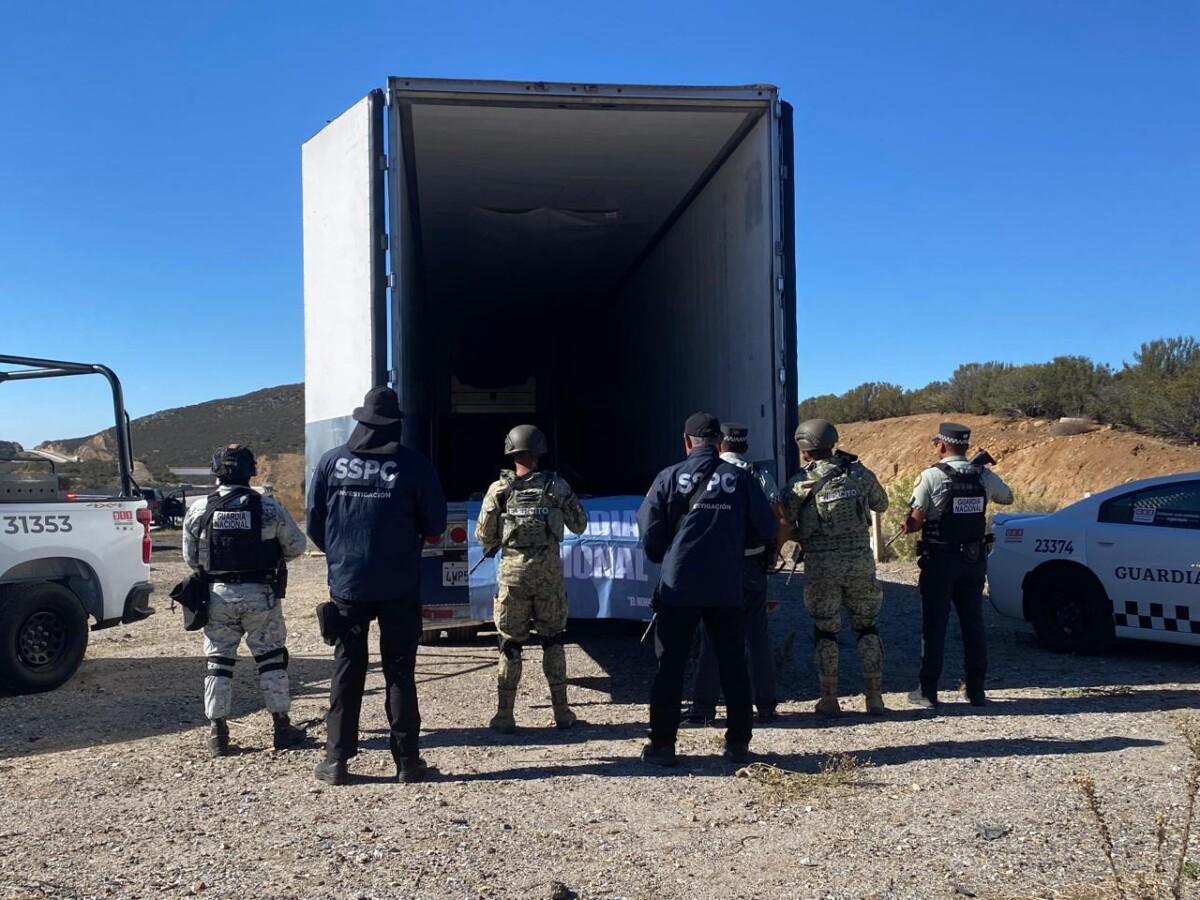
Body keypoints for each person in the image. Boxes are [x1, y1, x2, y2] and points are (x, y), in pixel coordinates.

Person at [307, 387, 447, 785]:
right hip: (400, 584)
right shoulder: (414, 466)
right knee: (399, 671)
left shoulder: (331, 463)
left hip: (348, 585)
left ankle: (336, 761)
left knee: (347, 667)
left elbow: (317, 525)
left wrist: (341, 555)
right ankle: (407, 762)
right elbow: (436, 525)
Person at [638, 412, 777, 767]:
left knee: (670, 665)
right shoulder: (742, 479)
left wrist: (669, 554)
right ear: (719, 442)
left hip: (678, 585)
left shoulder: (668, 477)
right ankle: (737, 745)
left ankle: (663, 746)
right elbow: (764, 529)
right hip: (725, 586)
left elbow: (650, 533)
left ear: (686, 442)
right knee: (733, 664)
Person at [182, 444, 308, 757]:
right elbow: (296, 546)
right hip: (260, 595)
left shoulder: (199, 509)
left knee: (218, 662)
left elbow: (190, 558)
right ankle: (281, 726)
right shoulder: (267, 507)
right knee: (271, 659)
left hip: (216, 596)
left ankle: (218, 733)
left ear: (216, 471)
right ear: (250, 470)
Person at [475, 425, 589, 733]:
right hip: (548, 579)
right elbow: (580, 524)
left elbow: (483, 535)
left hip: (513, 579)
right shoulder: (558, 487)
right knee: (553, 641)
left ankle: (504, 716)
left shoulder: (498, 491)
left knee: (510, 645)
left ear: (510, 453)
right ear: (539, 453)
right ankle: (563, 713)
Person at [902, 422, 1013, 709]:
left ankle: (927, 692)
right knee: (973, 624)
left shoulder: (931, 476)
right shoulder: (983, 475)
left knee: (934, 626)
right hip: (974, 559)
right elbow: (1007, 496)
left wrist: (908, 521)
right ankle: (976, 691)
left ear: (941, 445)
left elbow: (915, 522)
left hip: (939, 560)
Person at [784, 419, 890, 716]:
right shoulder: (858, 473)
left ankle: (829, 698)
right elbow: (881, 504)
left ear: (804, 450)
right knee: (867, 627)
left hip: (821, 567)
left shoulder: (797, 484)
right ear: (833, 442)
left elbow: (786, 524)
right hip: (859, 562)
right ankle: (874, 697)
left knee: (826, 632)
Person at [687, 422, 789, 725]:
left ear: (720, 445)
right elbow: (781, 522)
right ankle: (766, 705)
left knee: (711, 636)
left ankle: (704, 707)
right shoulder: (760, 475)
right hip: (752, 564)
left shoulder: (713, 475)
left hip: (716, 565)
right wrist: (772, 552)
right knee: (757, 635)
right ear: (743, 445)